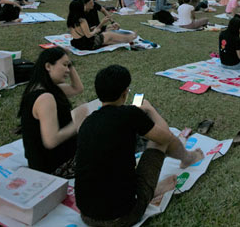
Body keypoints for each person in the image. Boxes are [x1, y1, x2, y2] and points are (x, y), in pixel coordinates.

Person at [75, 65, 204, 226]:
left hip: (87, 215)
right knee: (158, 141)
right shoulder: (130, 114)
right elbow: (165, 136)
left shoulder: (89, 121)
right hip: (123, 216)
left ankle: (149, 189)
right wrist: (150, 109)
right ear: (124, 93)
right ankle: (188, 158)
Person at [19, 47, 87, 177]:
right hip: (56, 166)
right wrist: (77, 123)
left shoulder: (42, 88)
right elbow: (51, 141)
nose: (68, 70)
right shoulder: (45, 98)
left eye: (69, 65)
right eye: (64, 65)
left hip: (49, 161)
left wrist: (69, 63)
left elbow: (77, 88)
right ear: (48, 66)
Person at [67, 0, 136, 52]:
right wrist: (95, 30)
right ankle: (130, 37)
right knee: (109, 35)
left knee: (109, 40)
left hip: (76, 43)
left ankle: (127, 40)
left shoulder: (70, 19)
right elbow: (88, 35)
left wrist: (91, 29)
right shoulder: (82, 20)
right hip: (87, 44)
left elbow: (80, 32)